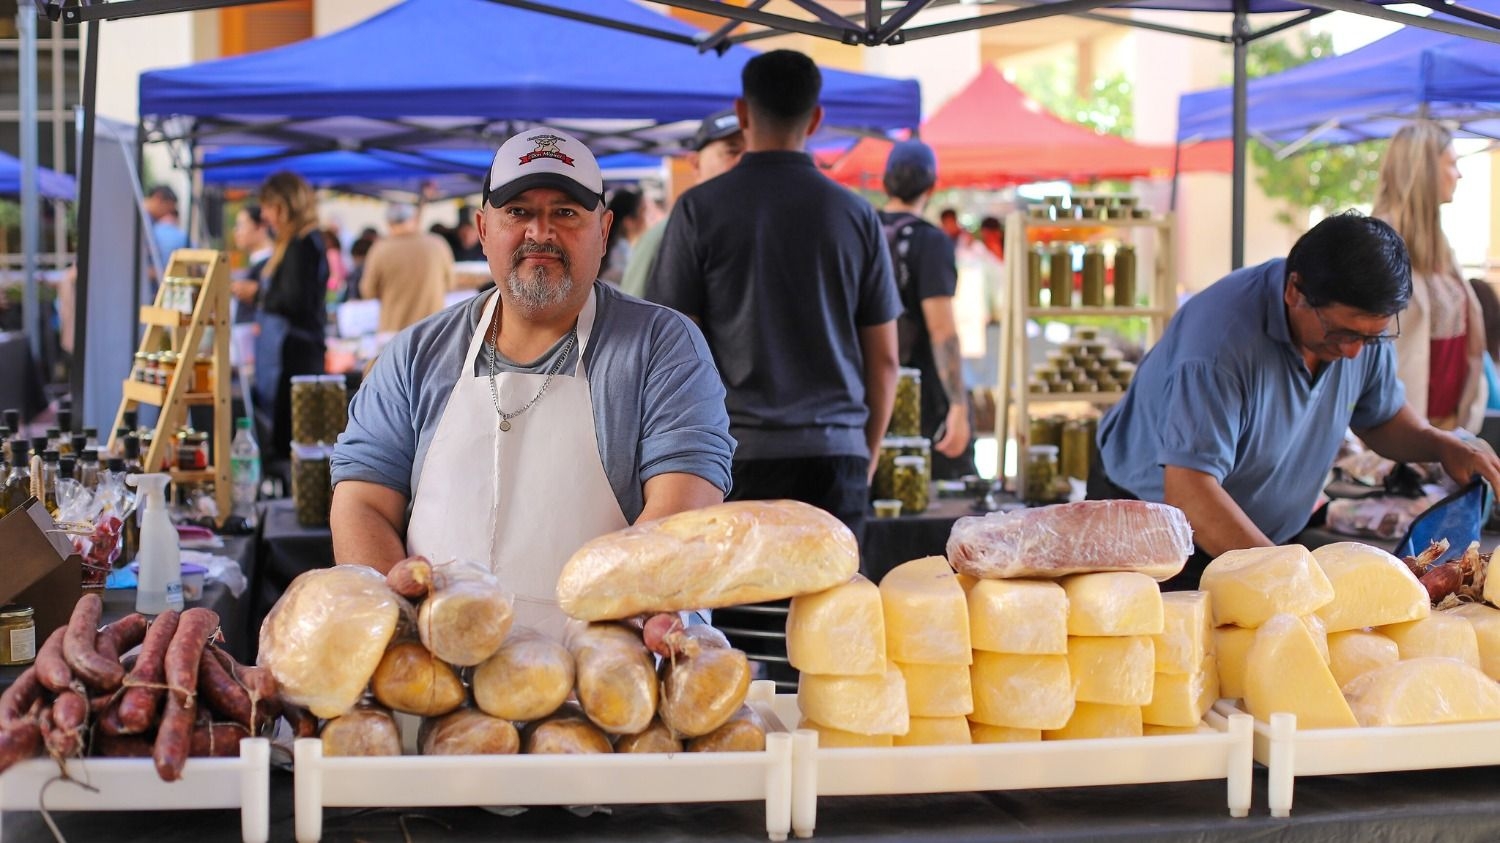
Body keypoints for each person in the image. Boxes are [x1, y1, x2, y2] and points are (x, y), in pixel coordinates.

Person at [329, 127, 734, 638]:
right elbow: (362, 500)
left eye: (565, 212)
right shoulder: (417, 354)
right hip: (440, 678)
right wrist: (406, 626)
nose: (540, 232)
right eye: (518, 212)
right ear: (482, 227)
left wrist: (607, 645)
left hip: (611, 678)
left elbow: (681, 513)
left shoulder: (662, 345)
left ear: (604, 230)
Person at [1089, 212, 1500, 589]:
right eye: (1342, 333)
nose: (1355, 352)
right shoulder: (1218, 344)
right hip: (1159, 538)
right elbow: (1190, 492)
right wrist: (1288, 574)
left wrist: (1438, 444)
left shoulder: (1358, 329)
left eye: (1369, 337)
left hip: (1257, 542)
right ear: (1293, 290)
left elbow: (1380, 418)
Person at [648, 49, 901, 541]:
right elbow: (886, 359)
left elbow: (672, 349)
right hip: (837, 454)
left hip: (734, 456)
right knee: (833, 614)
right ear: (817, 118)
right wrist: (863, 456)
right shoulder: (857, 215)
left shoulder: (699, 210)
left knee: (739, 617)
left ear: (743, 114)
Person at [1373, 120, 1487, 432]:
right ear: (1424, 169)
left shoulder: (1441, 245)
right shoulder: (1379, 241)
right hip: (1400, 434)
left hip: (1447, 428)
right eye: (1452, 163)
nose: (1459, 174)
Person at [877, 140, 975, 479]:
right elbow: (942, 330)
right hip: (920, 396)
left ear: (884, 182)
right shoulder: (930, 241)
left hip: (864, 392)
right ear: (932, 188)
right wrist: (959, 405)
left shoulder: (861, 229)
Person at [620, 108, 745, 299]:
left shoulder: (761, 227)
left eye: (752, 154)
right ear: (695, 163)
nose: (743, 162)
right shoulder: (668, 233)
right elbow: (630, 311)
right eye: (732, 151)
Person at [254, 171, 329, 462]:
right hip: (296, 351)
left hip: (295, 355)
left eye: (268, 208)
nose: (265, 216)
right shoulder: (303, 242)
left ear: (283, 207)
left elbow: (294, 300)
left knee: (294, 441)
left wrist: (261, 296)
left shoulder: (302, 244)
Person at [359, 202, 454, 335]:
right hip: (433, 329)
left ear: (389, 222)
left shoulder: (380, 249)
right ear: (413, 219)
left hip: (394, 330)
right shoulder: (438, 244)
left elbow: (368, 291)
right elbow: (450, 284)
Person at [229, 203, 273, 326]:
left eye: (241, 226)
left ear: (260, 227)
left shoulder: (270, 265)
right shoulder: (257, 263)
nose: (236, 232)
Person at [600, 188, 647, 285]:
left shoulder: (614, 248)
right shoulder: (622, 253)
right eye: (643, 212)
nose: (646, 218)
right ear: (628, 221)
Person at [144, 184, 188, 274]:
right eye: (168, 210)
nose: (167, 215)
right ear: (158, 198)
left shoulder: (150, 221)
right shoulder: (142, 220)